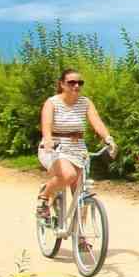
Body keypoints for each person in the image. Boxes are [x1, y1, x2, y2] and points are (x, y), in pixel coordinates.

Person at [37, 68, 115, 220]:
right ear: (62, 84)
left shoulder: (85, 102)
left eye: (80, 83)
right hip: (55, 147)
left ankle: (81, 237)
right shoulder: (52, 102)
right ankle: (44, 197)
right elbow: (46, 124)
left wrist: (108, 138)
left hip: (78, 149)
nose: (76, 86)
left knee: (82, 193)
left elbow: (96, 122)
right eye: (71, 82)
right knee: (68, 175)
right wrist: (47, 140)